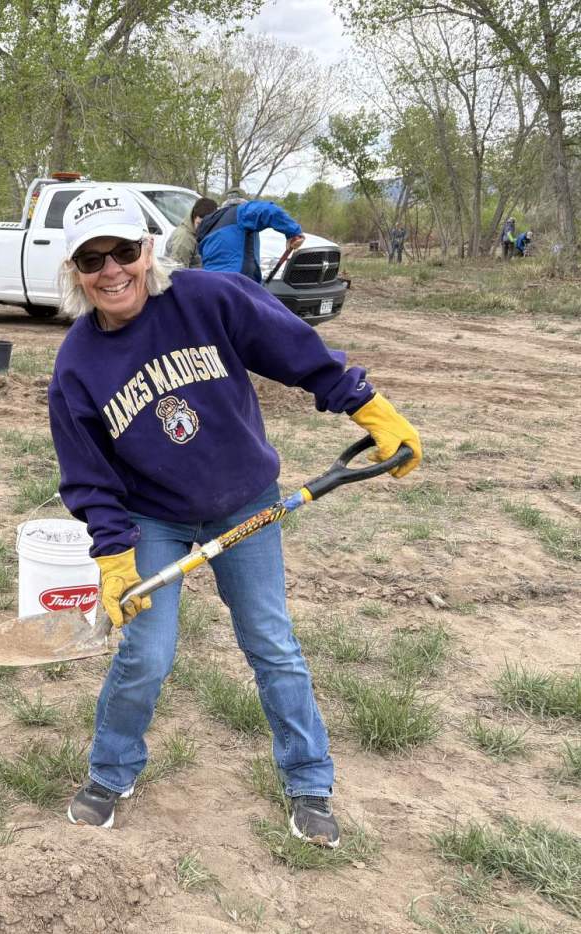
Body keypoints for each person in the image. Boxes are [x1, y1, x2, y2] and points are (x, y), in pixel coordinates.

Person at [48, 186, 423, 846]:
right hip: (153, 520)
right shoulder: (77, 365)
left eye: (123, 251)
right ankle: (110, 774)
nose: (111, 271)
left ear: (149, 250)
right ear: (75, 273)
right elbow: (88, 477)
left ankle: (309, 782)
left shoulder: (207, 299)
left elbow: (294, 348)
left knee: (272, 644)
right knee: (146, 655)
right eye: (91, 259)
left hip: (246, 502)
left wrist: (367, 409)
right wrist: (113, 556)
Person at [196, 187, 305, 282]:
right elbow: (269, 210)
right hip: (235, 285)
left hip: (210, 285)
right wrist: (293, 232)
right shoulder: (242, 212)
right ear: (244, 202)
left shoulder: (208, 224)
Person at [165, 196, 217, 269]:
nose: (202, 228)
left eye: (206, 225)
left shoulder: (200, 234)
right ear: (194, 217)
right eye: (199, 224)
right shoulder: (184, 239)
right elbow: (177, 273)